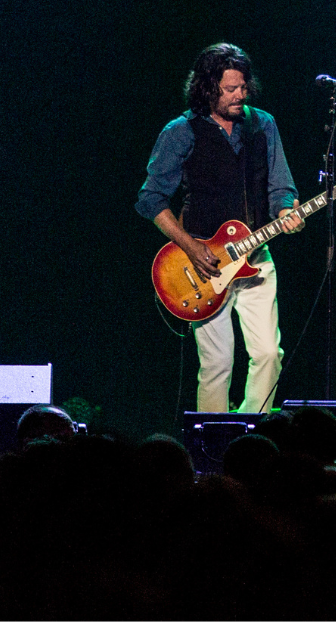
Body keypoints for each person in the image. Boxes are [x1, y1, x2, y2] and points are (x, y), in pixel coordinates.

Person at [136, 43, 304, 414]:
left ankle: (249, 432)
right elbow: (151, 199)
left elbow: (281, 187)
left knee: (268, 355)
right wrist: (191, 248)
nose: (239, 96)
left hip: (257, 257)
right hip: (203, 264)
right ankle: (212, 446)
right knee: (217, 364)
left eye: (243, 87)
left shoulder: (263, 124)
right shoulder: (182, 131)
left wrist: (287, 211)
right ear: (206, 88)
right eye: (229, 89)